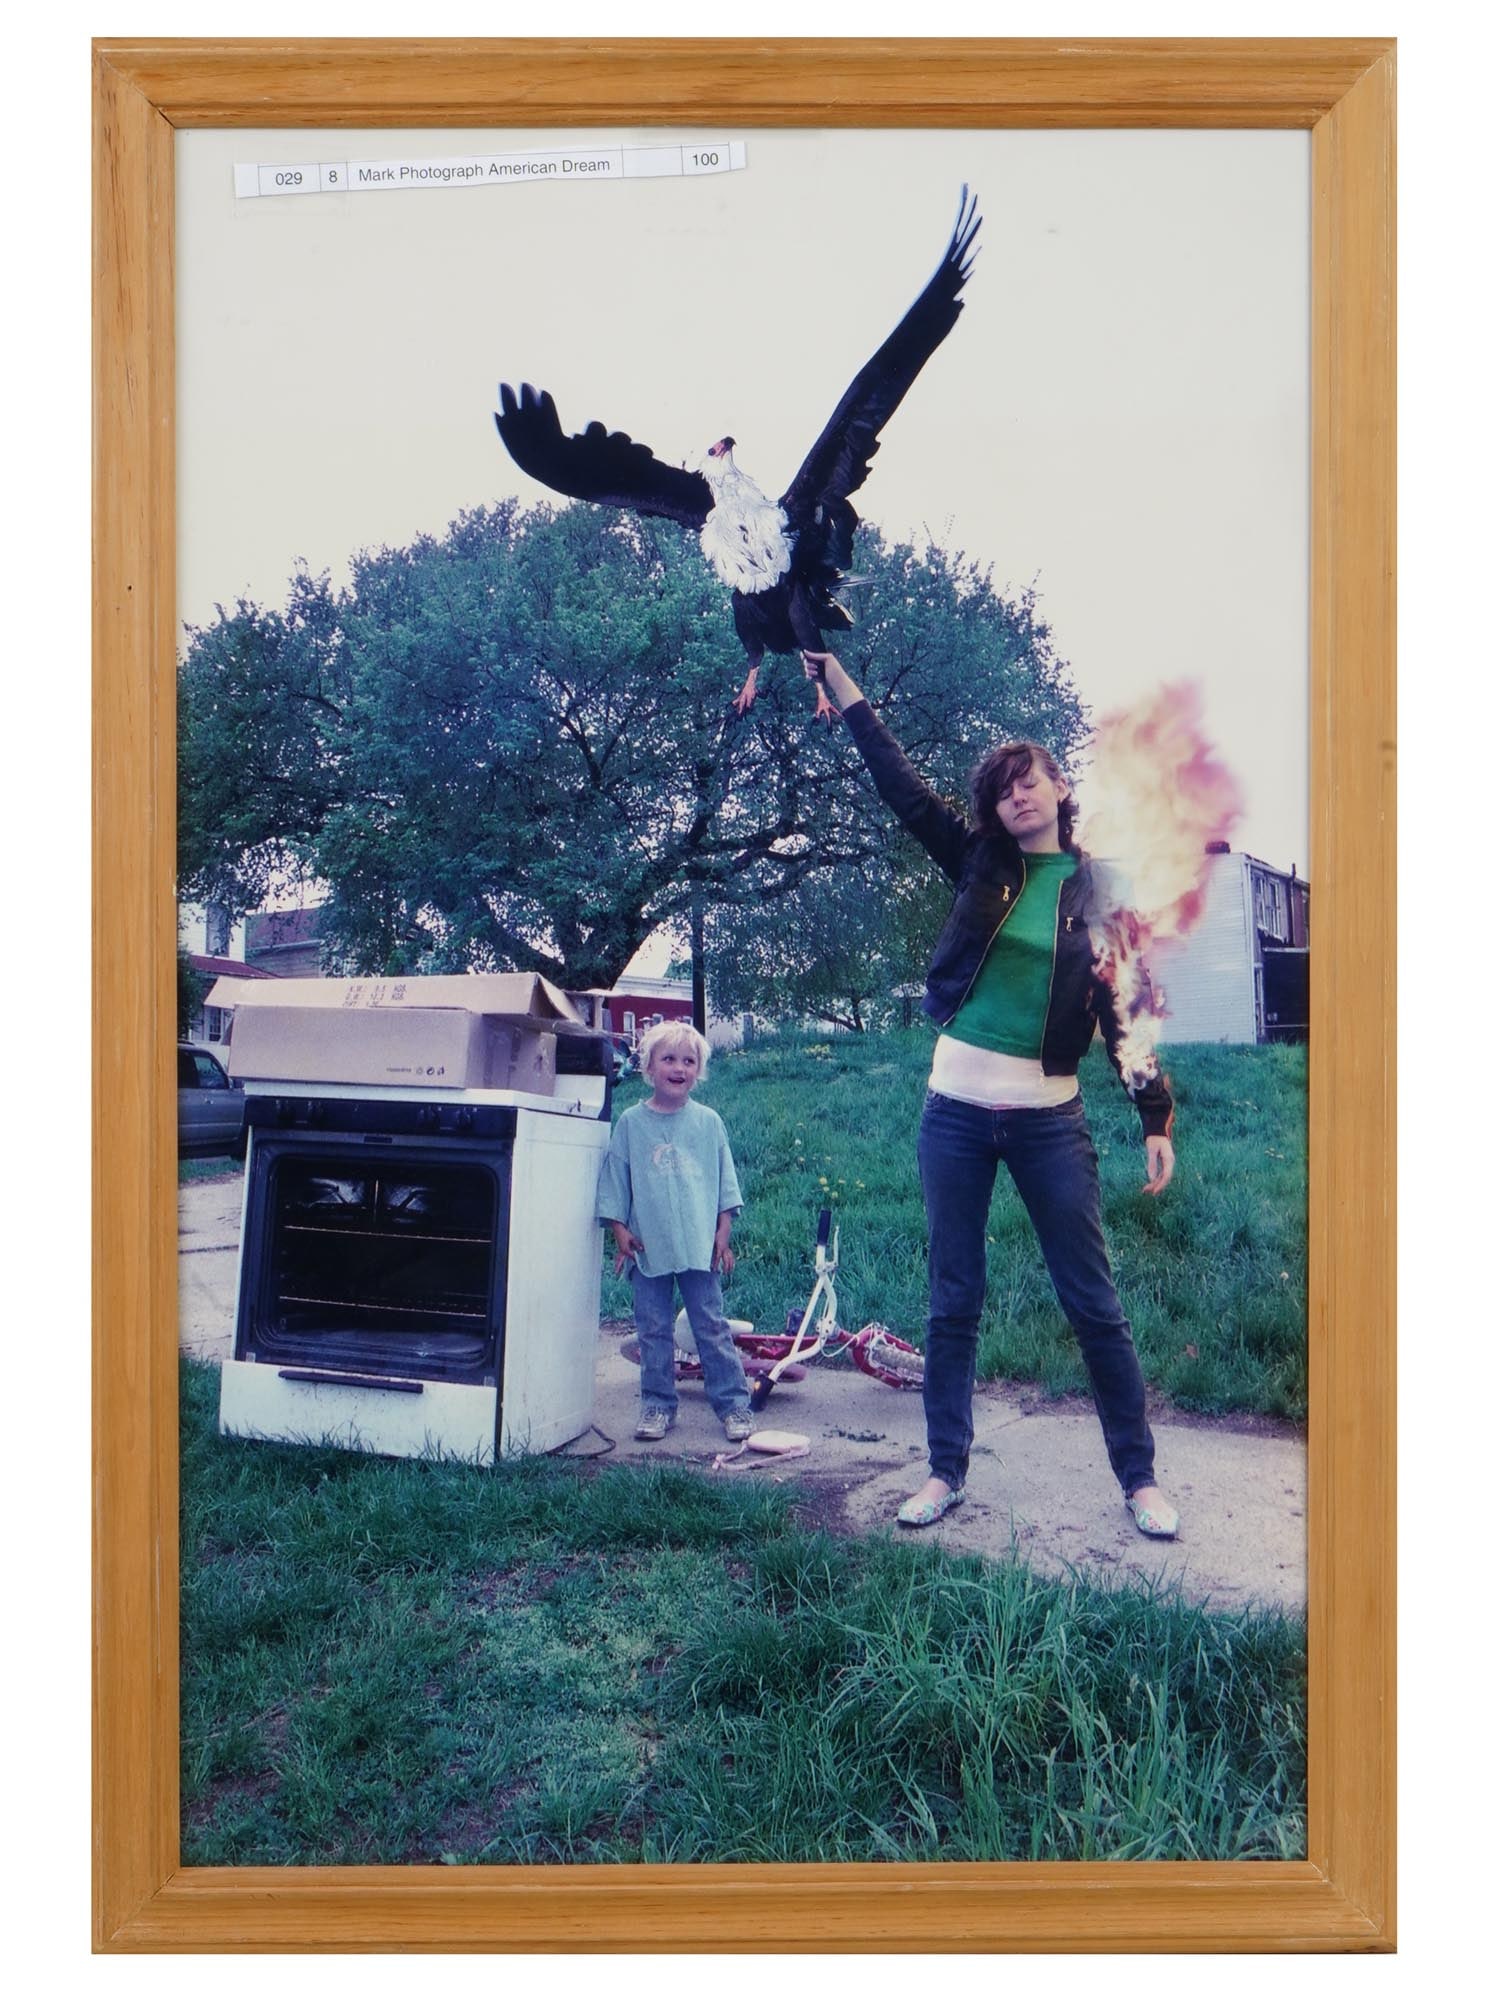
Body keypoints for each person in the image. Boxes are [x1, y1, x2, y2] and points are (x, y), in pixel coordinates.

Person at [803, 650, 1180, 1539]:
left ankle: (1140, 1480)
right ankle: (945, 1472)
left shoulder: (1100, 890)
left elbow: (1127, 1006)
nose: (1018, 796)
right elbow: (900, 786)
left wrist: (1154, 1113)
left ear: (1060, 788)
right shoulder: (978, 861)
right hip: (956, 1114)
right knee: (953, 1299)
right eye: (1003, 790)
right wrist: (845, 687)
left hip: (1050, 1121)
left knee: (1093, 1303)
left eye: (1030, 780)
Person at [596, 1020, 756, 1444]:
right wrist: (619, 1231)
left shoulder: (708, 1123)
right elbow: (616, 1182)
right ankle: (658, 1405)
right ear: (649, 1066)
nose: (679, 1068)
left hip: (699, 1247)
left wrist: (723, 1232)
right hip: (647, 1247)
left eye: (689, 1061)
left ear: (698, 1070)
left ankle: (734, 1404)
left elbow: (725, 1182)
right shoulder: (631, 1123)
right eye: (668, 1059)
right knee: (653, 1330)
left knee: (711, 1327)